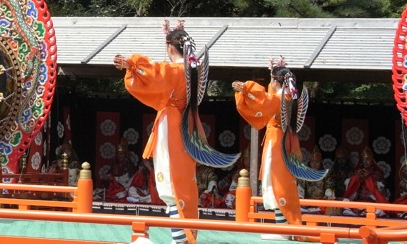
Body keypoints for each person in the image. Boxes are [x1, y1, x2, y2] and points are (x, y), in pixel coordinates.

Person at [113, 20, 210, 244]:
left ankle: (179, 241)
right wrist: (172, 35)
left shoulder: (175, 71)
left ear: (170, 49)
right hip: (186, 126)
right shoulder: (191, 70)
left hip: (173, 127)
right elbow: (167, 73)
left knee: (171, 184)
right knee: (183, 183)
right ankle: (184, 237)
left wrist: (132, 65)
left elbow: (157, 74)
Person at [233, 57, 325, 240]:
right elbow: (270, 95)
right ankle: (283, 227)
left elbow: (264, 102)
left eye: (271, 80)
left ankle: (284, 229)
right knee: (278, 183)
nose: (270, 84)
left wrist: (245, 89)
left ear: (276, 82)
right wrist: (273, 71)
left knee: (276, 183)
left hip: (276, 144)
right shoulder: (288, 96)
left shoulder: (278, 99)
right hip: (283, 142)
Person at [342, 146, 388, 216]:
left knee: (382, 209)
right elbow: (348, 188)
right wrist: (356, 178)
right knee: (345, 201)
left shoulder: (377, 173)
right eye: (363, 160)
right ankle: (358, 213)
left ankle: (368, 213)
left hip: (373, 202)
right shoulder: (357, 171)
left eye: (367, 159)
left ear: (371, 160)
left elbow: (380, 191)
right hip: (358, 202)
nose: (365, 162)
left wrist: (368, 178)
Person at [298, 148, 336, 215]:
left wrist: (326, 198)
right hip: (307, 204)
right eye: (312, 161)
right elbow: (300, 188)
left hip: (321, 204)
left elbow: (329, 188)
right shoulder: (305, 175)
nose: (314, 164)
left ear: (321, 162)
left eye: (317, 162)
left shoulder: (326, 174)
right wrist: (301, 199)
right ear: (309, 162)